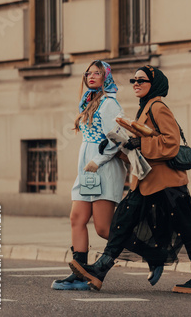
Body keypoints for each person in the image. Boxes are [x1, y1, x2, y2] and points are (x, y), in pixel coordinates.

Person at [69, 65, 191, 294]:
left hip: (167, 183)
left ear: (153, 84)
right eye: (133, 80)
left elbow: (171, 143)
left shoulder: (158, 107)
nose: (136, 83)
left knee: (186, 229)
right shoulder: (144, 108)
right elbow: (141, 149)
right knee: (121, 224)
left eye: (141, 80)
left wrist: (140, 143)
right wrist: (119, 148)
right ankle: (99, 270)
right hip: (145, 181)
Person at [51, 60, 127, 290]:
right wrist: (89, 163)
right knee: (77, 219)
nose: (91, 76)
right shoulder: (89, 101)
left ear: (106, 76)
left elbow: (117, 138)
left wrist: (98, 160)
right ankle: (79, 272)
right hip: (86, 171)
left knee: (104, 229)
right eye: (88, 73)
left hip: (104, 169)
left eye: (97, 73)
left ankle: (153, 253)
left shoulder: (110, 103)